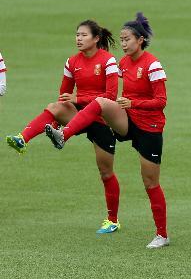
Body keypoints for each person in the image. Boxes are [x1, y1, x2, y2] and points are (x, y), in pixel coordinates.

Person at [45, 13, 169, 249]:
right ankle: (64, 134)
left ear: (140, 40)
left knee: (150, 182)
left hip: (150, 127)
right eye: (121, 40)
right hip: (127, 120)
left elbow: (161, 101)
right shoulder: (122, 63)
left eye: (127, 40)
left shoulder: (153, 64)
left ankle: (162, 234)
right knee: (101, 103)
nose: (122, 44)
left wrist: (133, 103)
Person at [7, 21, 122, 233]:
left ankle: (112, 220)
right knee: (55, 106)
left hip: (101, 120)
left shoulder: (108, 61)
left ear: (96, 38)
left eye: (84, 35)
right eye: (77, 34)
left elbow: (110, 97)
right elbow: (64, 97)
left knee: (106, 172)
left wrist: (79, 97)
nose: (78, 38)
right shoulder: (72, 62)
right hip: (78, 116)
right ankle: (23, 139)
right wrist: (54, 120)